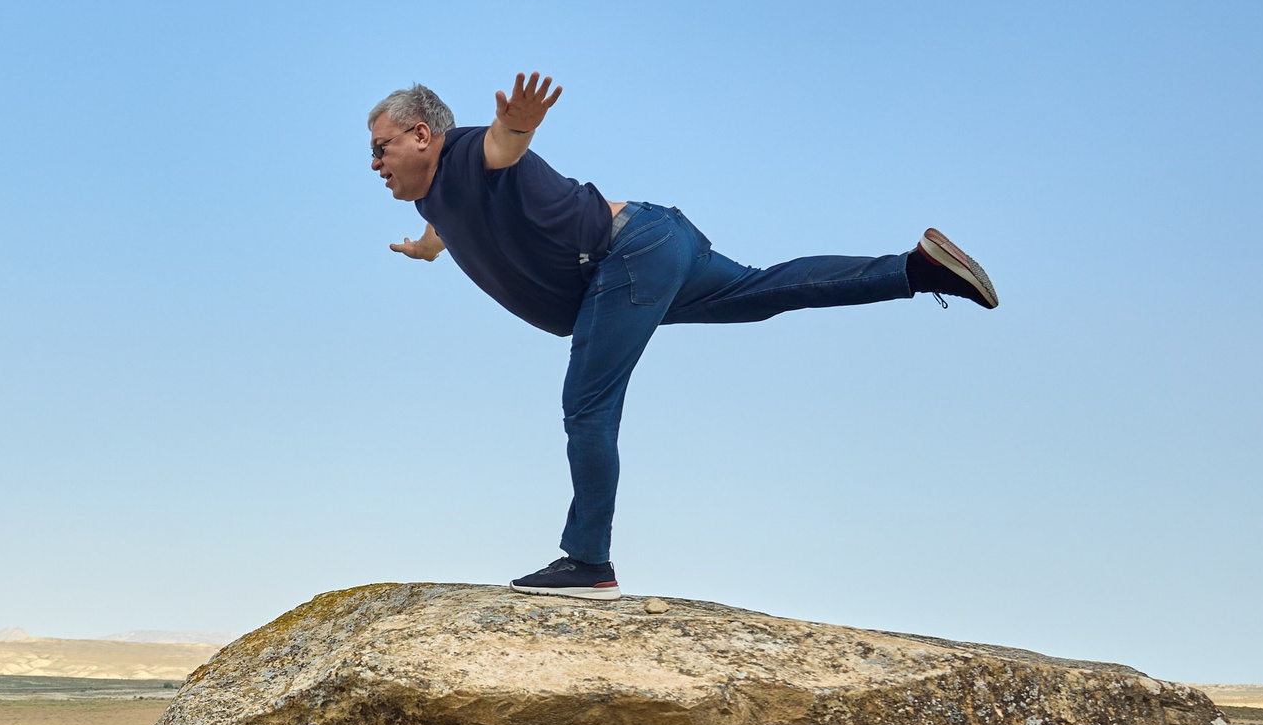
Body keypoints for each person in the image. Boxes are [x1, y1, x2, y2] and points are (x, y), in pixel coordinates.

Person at [372, 73, 997, 599]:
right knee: (764, 293)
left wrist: (519, 126)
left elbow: (501, 149)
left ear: (423, 135)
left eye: (381, 148)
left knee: (587, 406)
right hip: (656, 240)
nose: (376, 164)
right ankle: (915, 270)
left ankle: (588, 560)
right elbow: (450, 224)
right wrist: (428, 249)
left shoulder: (464, 156)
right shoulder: (437, 199)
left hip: (626, 260)